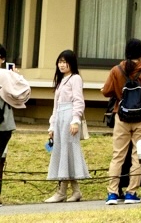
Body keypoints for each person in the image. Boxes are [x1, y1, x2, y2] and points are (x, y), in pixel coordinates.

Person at [101, 38, 141, 205]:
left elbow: (106, 91)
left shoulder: (116, 70)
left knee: (118, 155)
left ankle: (112, 193)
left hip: (121, 115)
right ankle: (131, 193)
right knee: (137, 155)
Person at [45, 50, 89, 203]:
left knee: (68, 152)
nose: (62, 65)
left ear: (71, 63)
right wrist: (52, 126)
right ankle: (74, 191)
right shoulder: (61, 80)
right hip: (60, 119)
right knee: (64, 153)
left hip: (70, 117)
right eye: (60, 62)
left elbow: (79, 101)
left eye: (65, 62)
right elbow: (55, 106)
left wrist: (75, 120)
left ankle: (62, 192)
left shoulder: (75, 78)